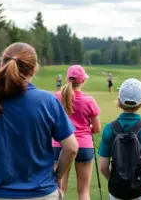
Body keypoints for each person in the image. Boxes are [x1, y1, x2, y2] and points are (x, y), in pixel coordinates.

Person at [0, 42, 78, 200]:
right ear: (33, 69)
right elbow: (71, 148)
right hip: (42, 193)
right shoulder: (47, 101)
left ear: (1, 64)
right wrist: (58, 176)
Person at [98, 78, 141, 200]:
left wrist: (119, 182)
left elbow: (103, 167)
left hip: (117, 193)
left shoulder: (109, 128)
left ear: (119, 100)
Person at [53, 65, 101, 200]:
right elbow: (97, 129)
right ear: (83, 81)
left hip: (59, 145)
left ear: (67, 79)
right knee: (84, 191)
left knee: (59, 189)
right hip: (84, 146)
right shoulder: (88, 100)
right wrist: (86, 128)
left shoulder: (56, 97)